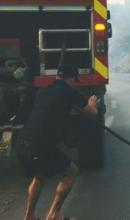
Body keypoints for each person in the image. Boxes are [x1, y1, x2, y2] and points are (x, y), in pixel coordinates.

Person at [16, 65, 98, 220]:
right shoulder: (69, 91)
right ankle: (54, 215)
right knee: (72, 172)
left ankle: (29, 216)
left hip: (22, 142)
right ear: (71, 79)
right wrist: (93, 104)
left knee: (39, 176)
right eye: (75, 81)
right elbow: (92, 114)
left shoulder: (43, 91)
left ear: (57, 76)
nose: (75, 84)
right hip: (40, 146)